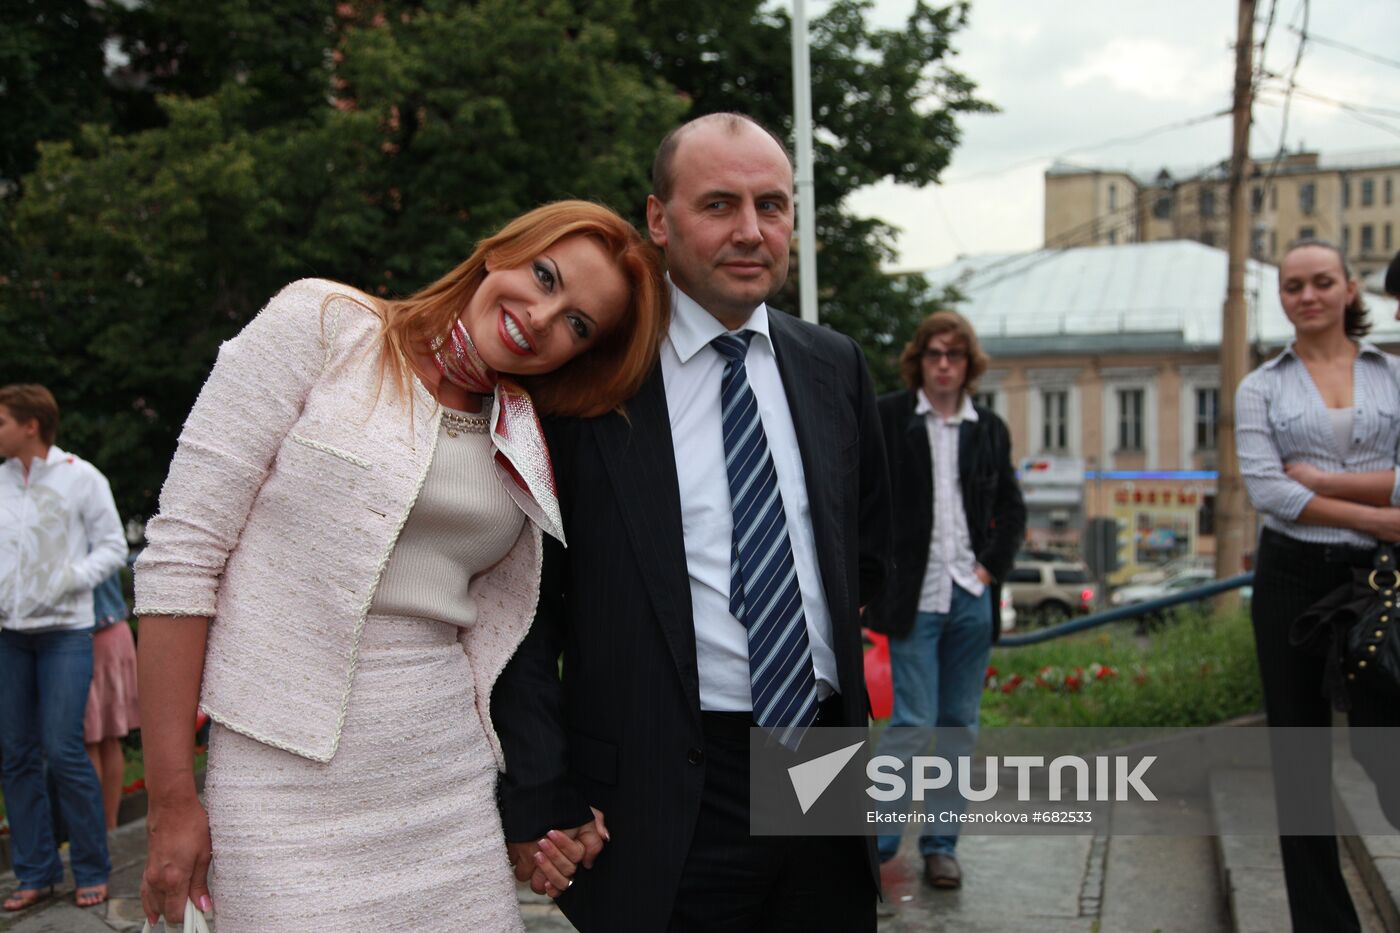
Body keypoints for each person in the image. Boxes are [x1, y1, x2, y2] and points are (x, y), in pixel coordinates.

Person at [133, 200, 666, 932]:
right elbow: (181, 559)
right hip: (278, 775)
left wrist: (546, 796)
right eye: (544, 276)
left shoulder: (529, 435)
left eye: (578, 323)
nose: (544, 316)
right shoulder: (324, 324)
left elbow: (527, 639)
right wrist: (169, 799)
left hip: (446, 781)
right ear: (499, 252)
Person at [493, 113, 893, 932]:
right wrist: (542, 794)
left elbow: (866, 552)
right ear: (658, 218)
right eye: (719, 204)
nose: (751, 231)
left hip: (818, 760)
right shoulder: (586, 382)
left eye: (772, 206)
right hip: (658, 793)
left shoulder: (834, 365)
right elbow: (524, 617)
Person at [1237, 238, 1400, 932]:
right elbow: (1269, 488)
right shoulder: (1261, 385)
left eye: (1321, 282)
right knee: (1299, 758)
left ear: (1350, 288)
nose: (1307, 295)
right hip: (1292, 578)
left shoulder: (1393, 375)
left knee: (1385, 745)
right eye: (1293, 285)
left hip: (1381, 579)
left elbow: (1304, 481)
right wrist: (1383, 514)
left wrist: (1327, 480)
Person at [865, 310, 1026, 889]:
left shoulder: (989, 428)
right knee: (911, 721)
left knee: (959, 724)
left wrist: (987, 571)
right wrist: (869, 579)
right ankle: (878, 843)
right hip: (913, 594)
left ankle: (940, 846)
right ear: (919, 361)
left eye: (953, 356)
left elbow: (1011, 508)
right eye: (933, 354)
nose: (943, 365)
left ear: (967, 365)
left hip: (969, 594)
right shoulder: (888, 417)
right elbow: (866, 503)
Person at [0, 384, 127, 912]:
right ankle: (34, 872)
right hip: (9, 635)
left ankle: (92, 868)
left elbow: (115, 548)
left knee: (63, 749)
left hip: (65, 635)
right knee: (16, 757)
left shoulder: (81, 477)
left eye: (1, 420)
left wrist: (69, 578)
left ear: (31, 425)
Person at [84, 570, 140, 831]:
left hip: (90, 638)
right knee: (107, 738)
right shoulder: (104, 534)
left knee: (89, 740)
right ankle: (108, 827)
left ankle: (96, 830)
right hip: (114, 633)